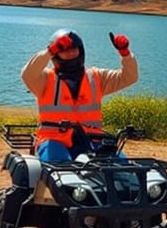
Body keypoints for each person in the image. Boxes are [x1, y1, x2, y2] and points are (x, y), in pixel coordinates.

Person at [21, 29, 138, 162]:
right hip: (54, 141)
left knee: (119, 165)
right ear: (56, 53)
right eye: (64, 50)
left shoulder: (97, 77)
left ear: (81, 50)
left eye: (74, 48)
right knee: (60, 167)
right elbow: (27, 74)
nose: (71, 53)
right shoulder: (45, 80)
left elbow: (130, 77)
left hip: (92, 141)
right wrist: (49, 51)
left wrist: (125, 54)